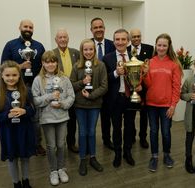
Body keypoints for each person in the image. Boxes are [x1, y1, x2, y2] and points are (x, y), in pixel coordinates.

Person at [1, 19, 46, 156]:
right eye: (25, 26)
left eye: (31, 27)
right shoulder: (10, 45)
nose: (28, 29)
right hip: (15, 88)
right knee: (18, 115)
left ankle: (37, 144)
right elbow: (3, 67)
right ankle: (22, 143)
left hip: (35, 86)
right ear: (19, 27)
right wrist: (20, 66)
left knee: (35, 117)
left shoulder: (39, 46)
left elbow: (44, 66)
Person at [32, 51, 75, 185]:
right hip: (47, 119)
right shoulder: (38, 80)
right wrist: (50, 96)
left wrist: (62, 104)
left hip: (62, 117)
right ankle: (53, 171)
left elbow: (71, 96)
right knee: (51, 146)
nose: (50, 64)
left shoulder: (64, 78)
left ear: (57, 63)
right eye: (47, 62)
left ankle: (61, 168)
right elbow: (36, 100)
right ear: (43, 63)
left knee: (61, 145)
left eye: (53, 61)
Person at [0, 61, 36, 188]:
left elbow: (33, 111)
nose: (11, 78)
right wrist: (7, 115)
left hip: (24, 130)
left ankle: (26, 181)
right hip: (8, 133)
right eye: (7, 75)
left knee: (25, 157)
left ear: (19, 75)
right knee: (12, 158)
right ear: (2, 76)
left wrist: (25, 111)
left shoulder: (26, 91)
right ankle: (16, 183)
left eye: (14, 75)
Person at [142, 33, 182, 172]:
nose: (161, 47)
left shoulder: (174, 64)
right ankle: (154, 157)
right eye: (159, 45)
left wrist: (173, 105)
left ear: (168, 46)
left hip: (166, 106)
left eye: (164, 45)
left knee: (165, 132)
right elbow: (148, 84)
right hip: (151, 104)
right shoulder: (150, 62)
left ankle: (166, 155)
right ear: (156, 45)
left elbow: (177, 86)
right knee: (153, 131)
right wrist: (146, 73)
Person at [70, 39, 108, 176]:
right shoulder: (76, 67)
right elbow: (71, 86)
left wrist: (91, 96)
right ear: (82, 51)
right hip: (79, 105)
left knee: (91, 132)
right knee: (82, 132)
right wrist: (82, 82)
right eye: (85, 49)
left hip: (94, 105)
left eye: (91, 49)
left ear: (94, 50)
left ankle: (92, 157)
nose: (88, 52)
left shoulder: (101, 66)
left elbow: (104, 86)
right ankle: (82, 160)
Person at [103, 29, 136, 168]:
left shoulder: (134, 57)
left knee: (129, 127)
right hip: (115, 99)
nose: (120, 42)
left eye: (123, 39)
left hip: (130, 98)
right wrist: (116, 73)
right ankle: (117, 153)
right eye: (117, 39)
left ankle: (127, 152)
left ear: (128, 41)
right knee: (116, 128)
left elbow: (140, 77)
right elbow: (104, 79)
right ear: (114, 41)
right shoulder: (107, 58)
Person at [53, 28, 80, 153]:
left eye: (65, 37)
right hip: (59, 93)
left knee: (72, 120)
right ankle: (59, 145)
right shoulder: (52, 54)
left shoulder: (76, 52)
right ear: (56, 40)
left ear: (68, 39)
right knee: (58, 121)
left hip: (74, 92)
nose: (63, 39)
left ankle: (71, 143)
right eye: (60, 37)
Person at [90, 17, 115, 150]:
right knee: (91, 119)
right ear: (91, 30)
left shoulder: (112, 44)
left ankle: (107, 139)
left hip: (108, 87)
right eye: (96, 27)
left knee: (106, 116)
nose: (98, 29)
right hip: (91, 87)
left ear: (104, 29)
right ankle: (89, 142)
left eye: (101, 27)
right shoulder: (87, 45)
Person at [127, 28, 154, 148]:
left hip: (145, 89)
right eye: (134, 37)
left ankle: (143, 137)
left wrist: (142, 86)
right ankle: (131, 136)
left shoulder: (149, 49)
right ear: (130, 38)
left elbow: (151, 69)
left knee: (144, 115)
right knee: (131, 115)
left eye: (138, 36)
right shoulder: (126, 50)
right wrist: (133, 86)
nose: (136, 38)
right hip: (131, 88)